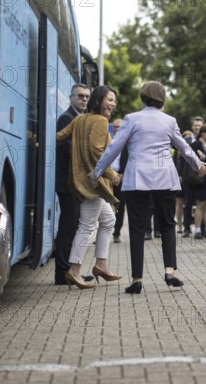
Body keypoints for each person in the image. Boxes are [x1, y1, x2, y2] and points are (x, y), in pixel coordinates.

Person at [91, 81, 205, 294]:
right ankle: (170, 271)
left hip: (137, 180)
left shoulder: (131, 119)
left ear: (143, 97)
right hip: (165, 178)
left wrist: (97, 172)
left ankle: (137, 279)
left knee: (136, 228)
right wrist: (198, 165)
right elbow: (184, 147)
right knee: (168, 225)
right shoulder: (170, 121)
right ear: (162, 98)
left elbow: (114, 147)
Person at [56, 85, 122, 289]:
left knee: (109, 220)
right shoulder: (101, 121)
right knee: (86, 226)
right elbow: (95, 152)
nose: (112, 104)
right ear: (99, 100)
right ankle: (74, 270)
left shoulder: (79, 119)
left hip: (83, 182)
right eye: (109, 99)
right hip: (94, 184)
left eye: (114, 101)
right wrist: (111, 174)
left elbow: (58, 137)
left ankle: (101, 264)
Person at [54, 84, 94, 285]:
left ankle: (70, 270)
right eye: (80, 96)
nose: (84, 99)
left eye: (87, 96)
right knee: (68, 227)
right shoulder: (66, 119)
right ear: (71, 97)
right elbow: (68, 149)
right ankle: (62, 273)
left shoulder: (82, 118)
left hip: (75, 182)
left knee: (73, 225)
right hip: (67, 182)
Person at [187, 124, 206, 239]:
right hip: (200, 178)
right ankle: (198, 230)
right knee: (200, 204)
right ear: (202, 133)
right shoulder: (195, 145)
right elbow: (191, 160)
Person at [181, 116, 204, 237]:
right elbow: (181, 158)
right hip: (188, 176)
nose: (197, 127)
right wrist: (180, 174)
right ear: (192, 126)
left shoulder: (205, 140)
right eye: (195, 125)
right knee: (188, 203)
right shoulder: (186, 140)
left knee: (201, 203)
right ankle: (186, 228)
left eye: (199, 125)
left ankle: (201, 228)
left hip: (202, 177)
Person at [111, 118, 128, 244]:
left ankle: (116, 233)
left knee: (120, 207)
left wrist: (122, 175)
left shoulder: (128, 144)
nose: (118, 129)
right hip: (107, 178)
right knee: (103, 206)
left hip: (122, 179)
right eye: (116, 127)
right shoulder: (107, 141)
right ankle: (102, 232)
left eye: (120, 127)